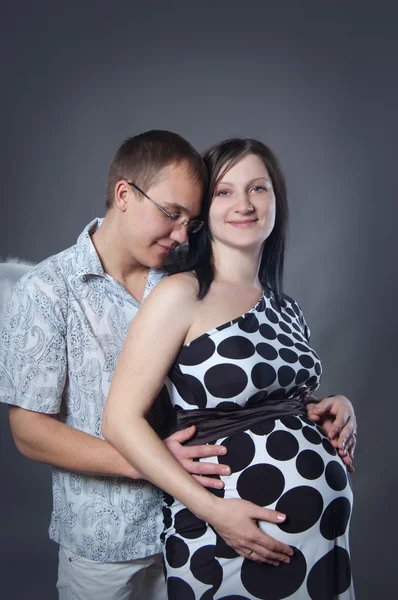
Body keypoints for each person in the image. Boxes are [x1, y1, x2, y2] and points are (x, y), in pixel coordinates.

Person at [0, 131, 355, 600]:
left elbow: (230, 386)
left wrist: (318, 406)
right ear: (124, 195)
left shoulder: (184, 270)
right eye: (171, 215)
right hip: (109, 538)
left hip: (191, 524)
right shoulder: (48, 290)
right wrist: (154, 463)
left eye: (190, 219)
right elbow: (29, 430)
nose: (182, 233)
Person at [102, 138, 356, 599]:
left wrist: (333, 406)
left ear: (276, 201)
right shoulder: (182, 295)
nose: (244, 204)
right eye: (224, 192)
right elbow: (119, 420)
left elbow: (276, 403)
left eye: (258, 189)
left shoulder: (287, 307)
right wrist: (214, 512)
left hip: (319, 547)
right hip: (224, 540)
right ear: (204, 211)